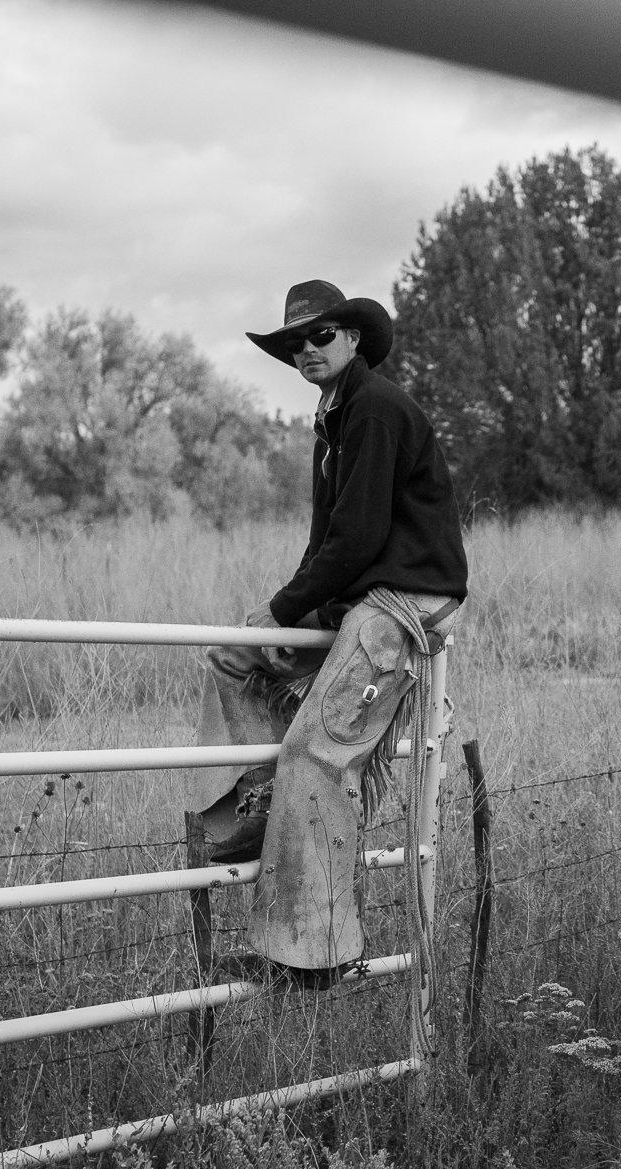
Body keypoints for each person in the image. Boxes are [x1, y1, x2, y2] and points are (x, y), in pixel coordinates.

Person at [191, 279, 468, 986]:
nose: (306, 350)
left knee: (316, 754)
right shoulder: (335, 415)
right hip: (361, 588)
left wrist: (287, 609)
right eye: (293, 344)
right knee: (234, 656)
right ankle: (253, 808)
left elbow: (361, 535)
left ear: (351, 338)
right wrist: (285, 614)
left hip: (406, 595)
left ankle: (313, 955)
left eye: (319, 336)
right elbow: (328, 542)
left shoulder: (373, 409)